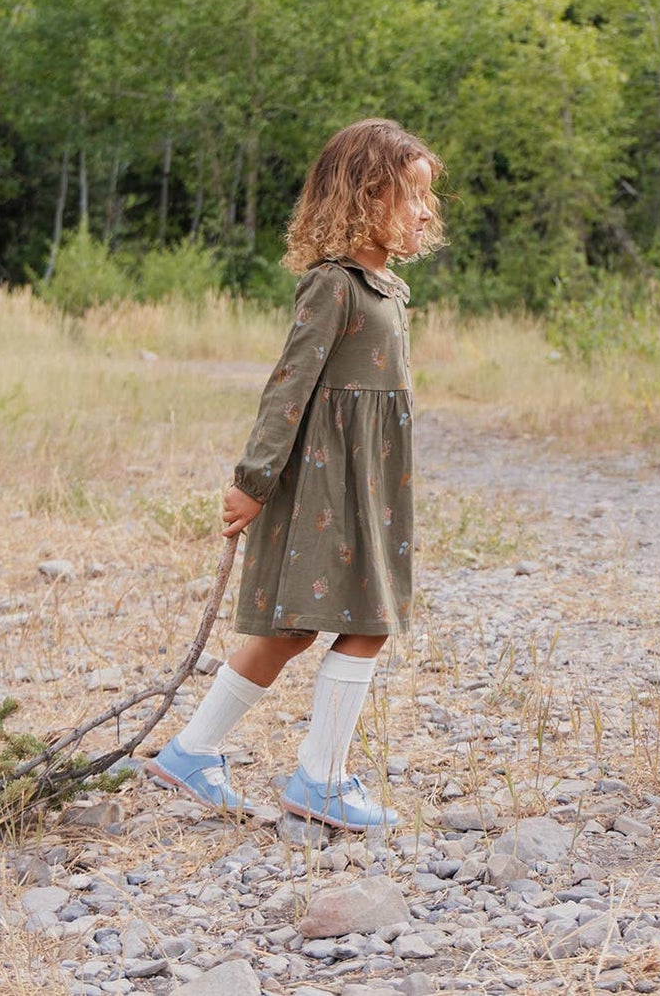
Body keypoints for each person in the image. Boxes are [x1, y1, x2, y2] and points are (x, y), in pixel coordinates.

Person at [145, 119, 443, 830]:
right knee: (360, 622)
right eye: (411, 196)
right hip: (322, 486)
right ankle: (322, 779)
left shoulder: (385, 288)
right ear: (364, 197)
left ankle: (193, 751)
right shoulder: (332, 287)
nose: (426, 212)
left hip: (367, 485)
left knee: (295, 629)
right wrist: (252, 481)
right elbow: (288, 388)